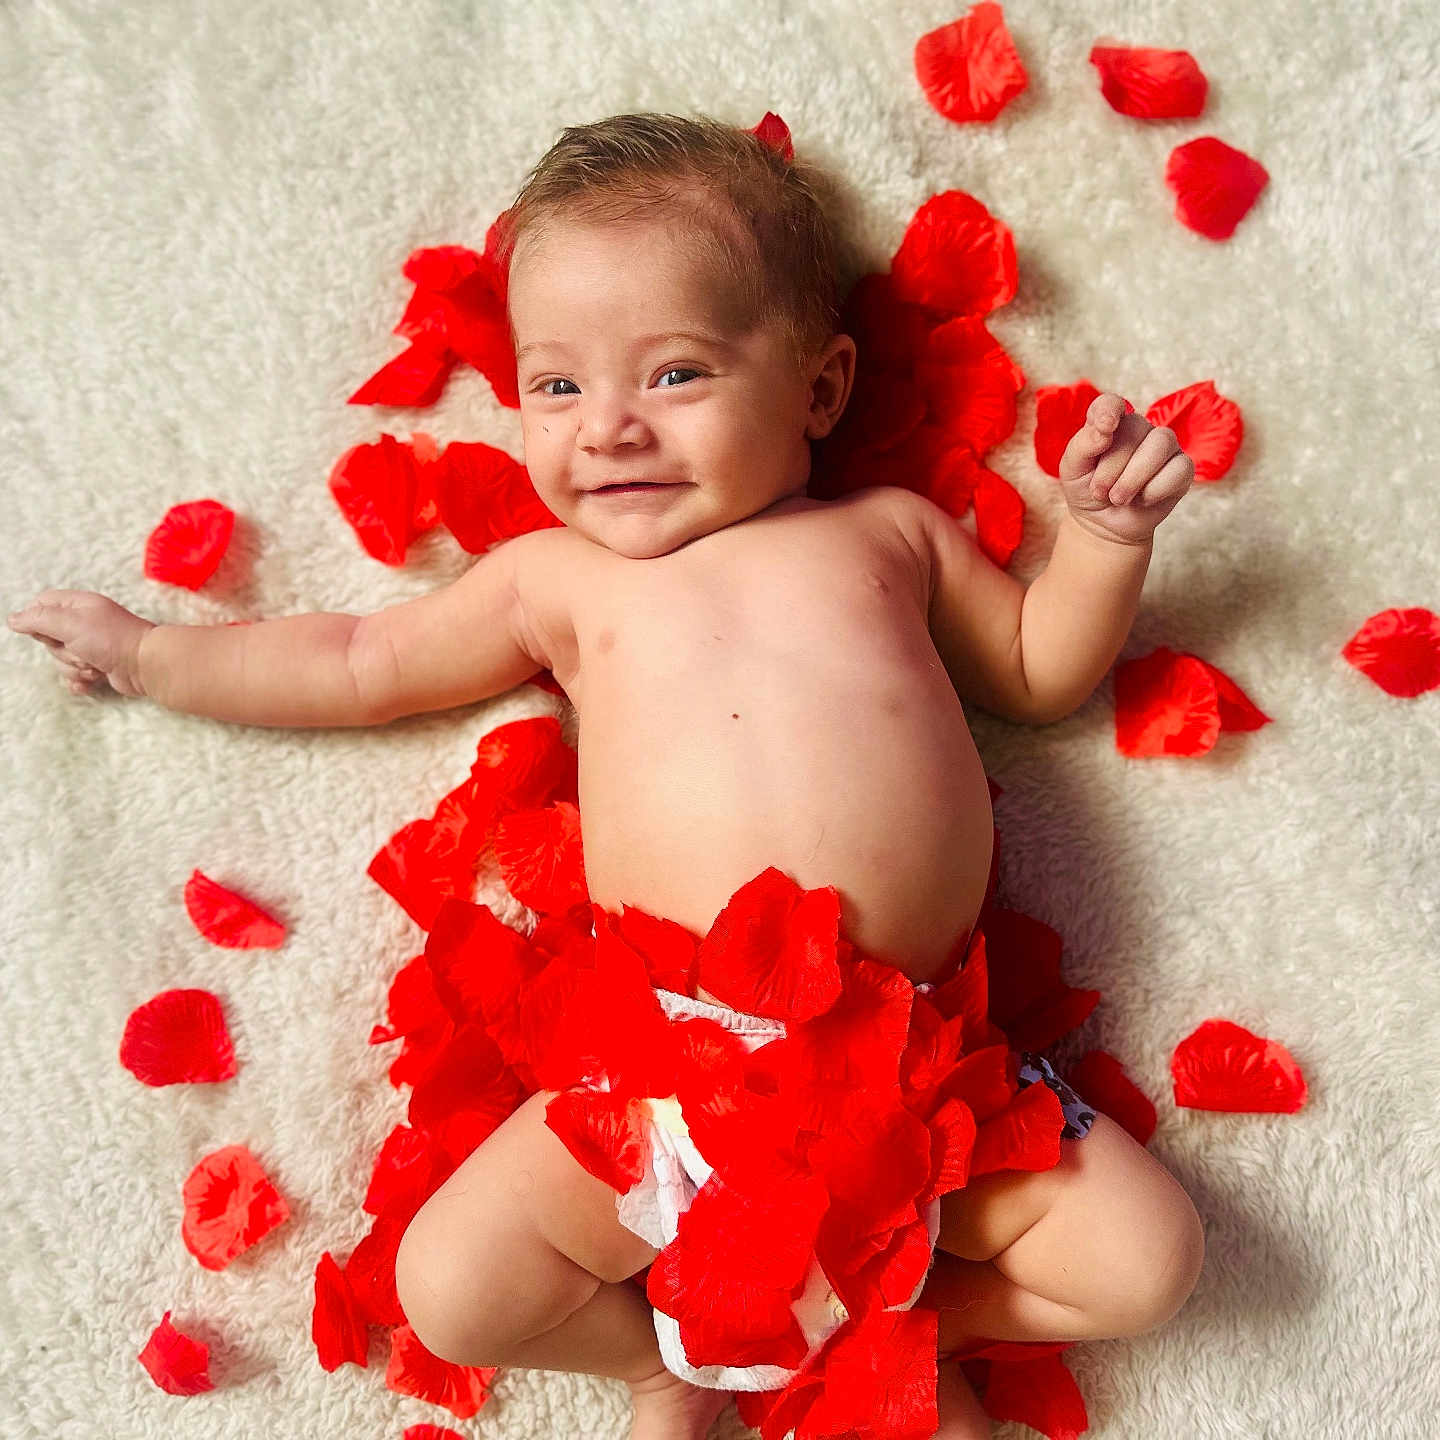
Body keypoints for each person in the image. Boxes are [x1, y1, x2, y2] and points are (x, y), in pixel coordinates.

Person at [7, 112, 1205, 1440]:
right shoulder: (554, 582)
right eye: (557, 387)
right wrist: (153, 655)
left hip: (910, 1078)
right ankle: (663, 1361)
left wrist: (1101, 541)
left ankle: (912, 1314)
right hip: (663, 1079)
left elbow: (1040, 671)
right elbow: (357, 660)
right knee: (448, 1289)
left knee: (1151, 1262)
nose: (611, 430)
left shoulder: (888, 538)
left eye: (677, 374)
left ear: (819, 390)